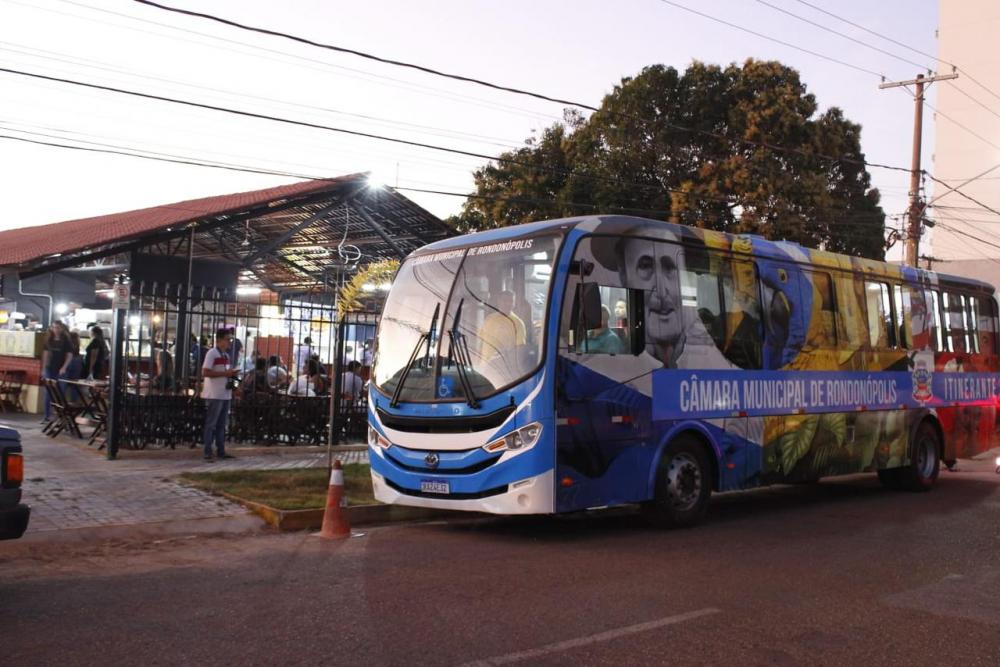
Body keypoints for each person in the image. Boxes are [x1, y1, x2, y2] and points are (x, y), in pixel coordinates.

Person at [201, 328, 239, 462]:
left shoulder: (226, 356)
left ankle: (221, 450)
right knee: (211, 424)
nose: (229, 342)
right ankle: (207, 451)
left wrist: (232, 374)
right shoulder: (212, 353)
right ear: (220, 340)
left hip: (225, 394)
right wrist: (225, 374)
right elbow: (205, 372)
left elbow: (226, 372)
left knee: (222, 424)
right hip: (214, 394)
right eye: (228, 339)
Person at [41, 321, 74, 421]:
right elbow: (45, 354)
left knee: (61, 393)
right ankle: (47, 416)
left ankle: (61, 416)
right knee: (48, 393)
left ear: (62, 328)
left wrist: (64, 367)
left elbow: (69, 355)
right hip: (49, 369)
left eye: (58, 327)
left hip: (61, 370)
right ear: (51, 328)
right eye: (54, 327)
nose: (56, 330)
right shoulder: (48, 340)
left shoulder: (66, 341)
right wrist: (43, 368)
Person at [479, 290, 526, 358]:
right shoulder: (489, 319)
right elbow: (480, 341)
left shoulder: (518, 323)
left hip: (504, 365)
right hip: (484, 365)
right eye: (504, 300)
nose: (507, 303)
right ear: (499, 301)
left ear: (514, 303)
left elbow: (520, 349)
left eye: (510, 301)